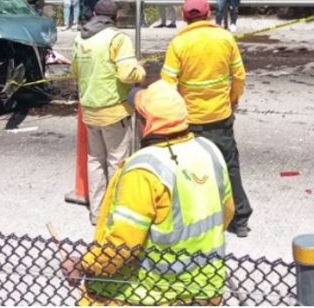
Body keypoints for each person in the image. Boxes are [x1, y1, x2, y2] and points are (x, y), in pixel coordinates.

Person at [63, 79, 233, 306]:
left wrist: (85, 263)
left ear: (146, 122)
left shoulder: (144, 169)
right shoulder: (209, 151)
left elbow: (123, 246)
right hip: (206, 286)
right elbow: (227, 213)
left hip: (153, 293)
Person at [161, 0, 250, 237]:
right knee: (230, 166)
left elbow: (167, 85)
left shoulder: (178, 44)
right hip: (220, 117)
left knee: (191, 171)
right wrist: (232, 100)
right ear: (209, 14)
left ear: (183, 17)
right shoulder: (224, 37)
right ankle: (240, 220)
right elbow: (239, 76)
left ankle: (197, 218)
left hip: (190, 121)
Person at [71, 0, 146, 225]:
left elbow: (75, 72)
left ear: (94, 14)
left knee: (95, 160)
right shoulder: (117, 38)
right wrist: (139, 69)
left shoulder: (80, 37)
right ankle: (114, 214)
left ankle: (97, 213)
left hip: (90, 110)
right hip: (113, 110)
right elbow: (126, 74)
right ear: (116, 18)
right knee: (117, 162)